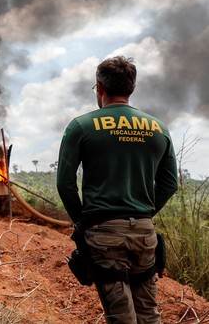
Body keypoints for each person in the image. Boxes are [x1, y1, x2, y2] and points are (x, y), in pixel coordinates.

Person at [56, 55, 179, 323]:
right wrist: (143, 212)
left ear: (99, 88)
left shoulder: (81, 126)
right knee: (148, 313)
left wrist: (83, 222)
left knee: (120, 316)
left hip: (104, 234)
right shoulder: (159, 128)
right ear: (131, 89)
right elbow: (170, 184)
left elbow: (65, 184)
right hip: (145, 233)